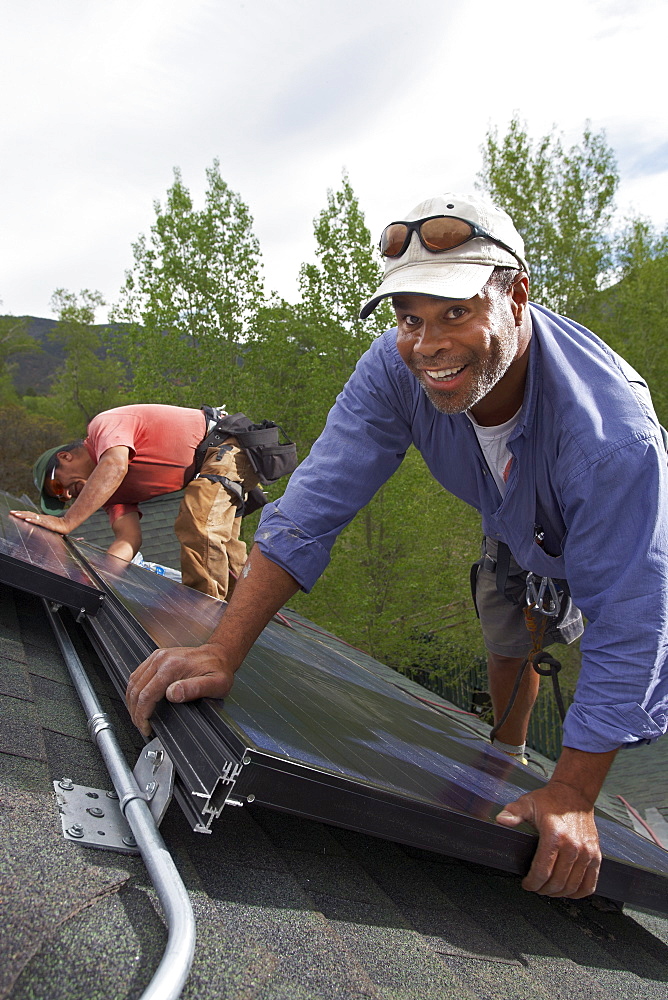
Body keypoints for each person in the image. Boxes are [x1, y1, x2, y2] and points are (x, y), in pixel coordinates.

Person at [125, 193, 668, 899]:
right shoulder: (392, 369)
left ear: (517, 295)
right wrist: (222, 649)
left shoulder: (613, 441)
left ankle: (545, 770)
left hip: (611, 537)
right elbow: (313, 506)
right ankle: (505, 751)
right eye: (410, 317)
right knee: (506, 618)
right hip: (511, 523)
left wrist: (570, 791)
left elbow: (633, 626)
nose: (429, 344)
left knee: (591, 633)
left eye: (455, 313)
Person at [12, 403, 264, 600]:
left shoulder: (103, 426)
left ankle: (201, 617)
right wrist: (101, 575)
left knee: (199, 520)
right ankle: (249, 605)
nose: (66, 495)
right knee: (227, 553)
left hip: (226, 444)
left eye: (57, 486)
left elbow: (115, 464)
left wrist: (66, 522)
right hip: (218, 464)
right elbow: (128, 539)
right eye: (60, 498)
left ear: (65, 457)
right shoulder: (112, 495)